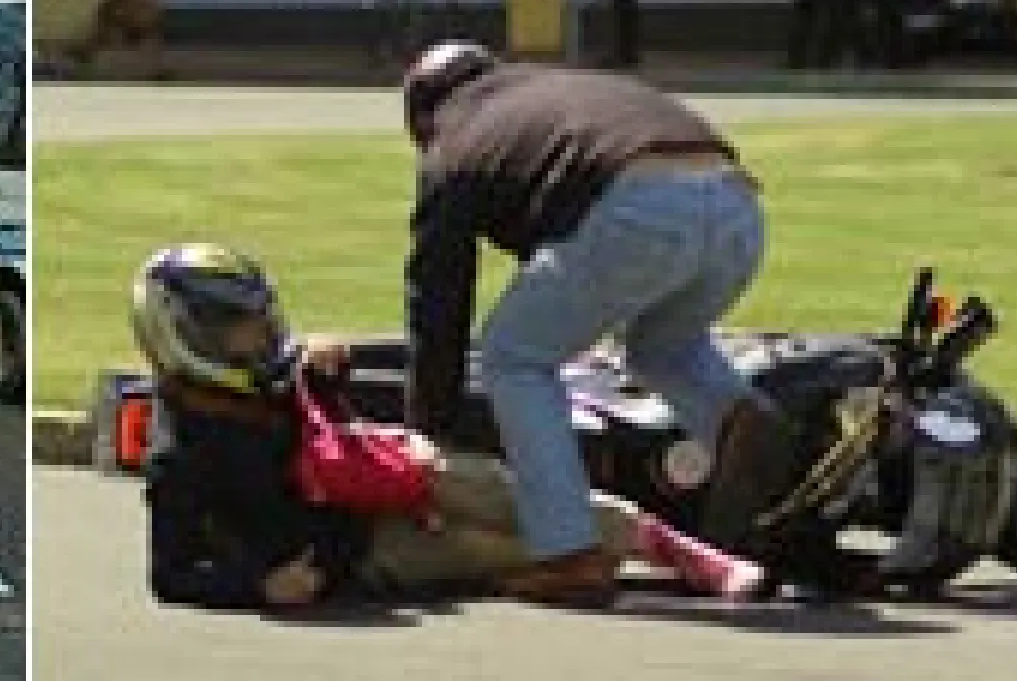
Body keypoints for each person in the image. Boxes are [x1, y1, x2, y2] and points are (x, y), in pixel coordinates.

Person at [132, 243, 767, 610]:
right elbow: (173, 576)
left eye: (259, 322)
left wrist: (322, 370)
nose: (256, 338)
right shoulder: (180, 456)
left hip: (376, 477)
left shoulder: (265, 379)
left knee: (498, 490)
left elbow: (322, 424)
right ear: (182, 337)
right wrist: (262, 587)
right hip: (358, 552)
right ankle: (597, 561)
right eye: (237, 330)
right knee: (492, 548)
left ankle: (684, 552)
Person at [401, 42, 805, 606]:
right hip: (737, 204)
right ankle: (734, 417)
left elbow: (438, 292)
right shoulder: (545, 90)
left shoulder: (454, 138)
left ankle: (568, 553)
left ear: (423, 113)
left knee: (515, 358)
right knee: (662, 348)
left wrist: (429, 423)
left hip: (639, 206)